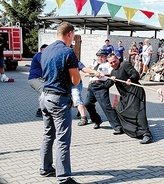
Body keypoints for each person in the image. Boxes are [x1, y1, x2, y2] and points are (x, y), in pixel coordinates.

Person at [39, 22, 81, 184]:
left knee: (48, 134)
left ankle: (45, 168)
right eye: (73, 36)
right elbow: (75, 80)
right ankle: (63, 178)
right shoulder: (68, 52)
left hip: (44, 97)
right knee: (63, 138)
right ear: (69, 33)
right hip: (58, 99)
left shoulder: (46, 50)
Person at [107, 53, 154, 144]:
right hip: (125, 96)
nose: (113, 64)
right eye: (111, 63)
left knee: (138, 112)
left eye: (114, 61)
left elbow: (135, 74)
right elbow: (107, 85)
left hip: (135, 91)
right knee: (119, 109)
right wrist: (110, 80)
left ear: (118, 59)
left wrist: (131, 79)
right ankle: (130, 130)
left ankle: (147, 134)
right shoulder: (112, 72)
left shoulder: (124, 64)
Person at [84, 49, 123, 134]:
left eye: (102, 56)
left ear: (105, 57)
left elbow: (112, 73)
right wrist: (93, 73)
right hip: (91, 86)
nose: (99, 58)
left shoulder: (107, 65)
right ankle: (97, 120)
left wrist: (104, 75)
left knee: (106, 106)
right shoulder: (94, 64)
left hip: (100, 86)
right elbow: (86, 71)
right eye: (98, 56)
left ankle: (117, 126)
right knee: (87, 103)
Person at [28, 44, 48, 117]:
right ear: (41, 50)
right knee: (43, 90)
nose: (46, 51)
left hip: (41, 79)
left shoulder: (45, 56)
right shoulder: (39, 55)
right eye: (45, 50)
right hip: (34, 79)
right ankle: (40, 110)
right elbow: (43, 62)